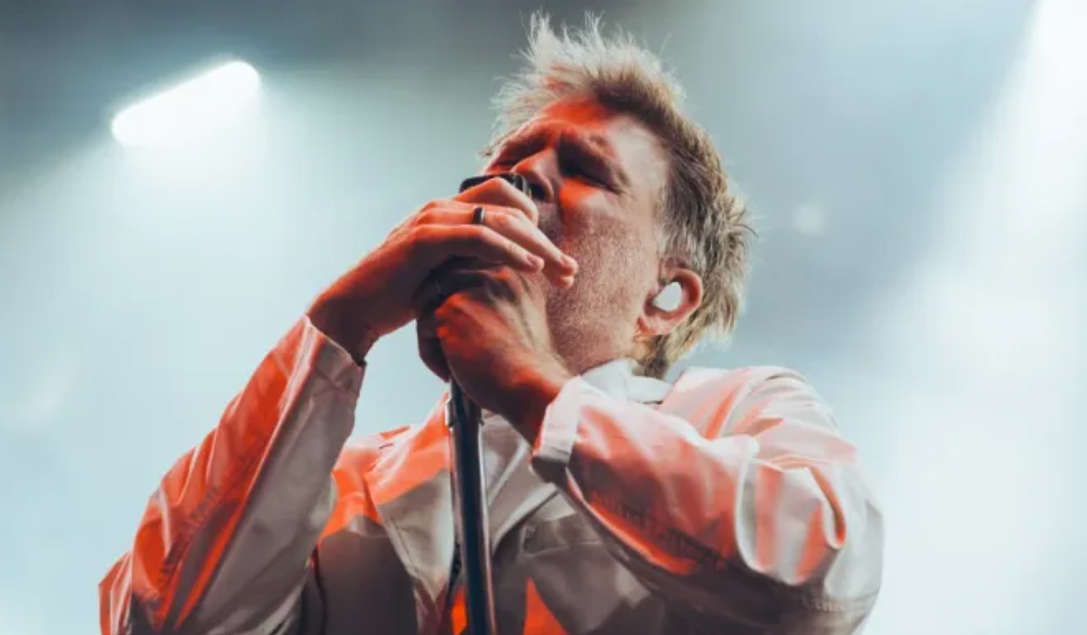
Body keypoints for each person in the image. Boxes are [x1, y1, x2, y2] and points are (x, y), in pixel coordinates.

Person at [98, 14, 883, 635]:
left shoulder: (734, 415)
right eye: (507, 162)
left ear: (666, 296)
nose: (519, 177)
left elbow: (820, 578)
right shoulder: (347, 477)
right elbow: (163, 620)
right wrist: (339, 325)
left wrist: (532, 384)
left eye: (584, 170)